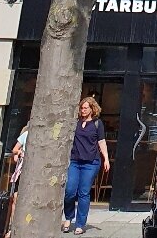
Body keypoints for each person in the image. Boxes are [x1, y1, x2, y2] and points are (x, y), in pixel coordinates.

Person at [62, 99, 109, 235]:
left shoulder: (97, 124)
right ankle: (68, 217)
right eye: (81, 108)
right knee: (70, 191)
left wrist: (106, 158)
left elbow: (101, 141)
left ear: (92, 109)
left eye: (86, 108)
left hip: (91, 162)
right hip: (75, 161)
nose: (83, 110)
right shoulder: (75, 122)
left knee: (84, 192)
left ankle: (80, 224)